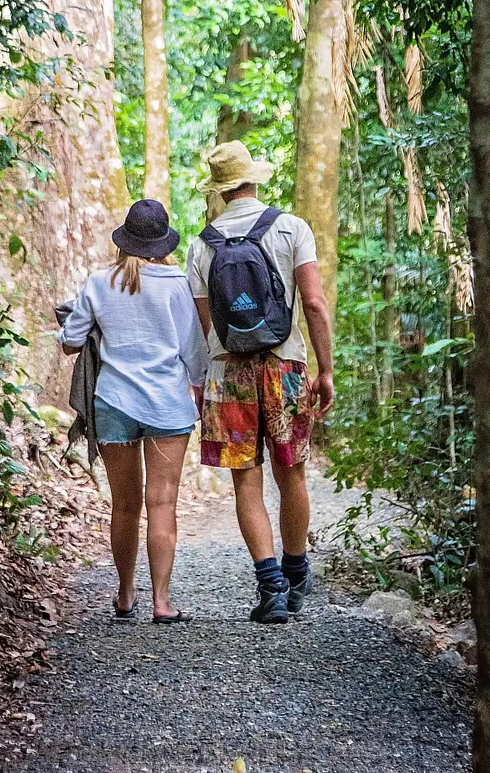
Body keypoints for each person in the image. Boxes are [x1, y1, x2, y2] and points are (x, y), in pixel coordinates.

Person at [187, 141, 334, 624]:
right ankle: (295, 572)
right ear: (254, 180)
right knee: (290, 472)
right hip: (284, 367)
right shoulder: (291, 228)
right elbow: (313, 303)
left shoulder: (200, 245)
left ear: (220, 189)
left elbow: (208, 326)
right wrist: (326, 369)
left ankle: (269, 585)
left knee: (244, 480)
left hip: (227, 374)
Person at [59, 199, 208, 624]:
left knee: (124, 504)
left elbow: (71, 341)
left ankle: (125, 594)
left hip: (114, 403)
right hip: (167, 406)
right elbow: (194, 353)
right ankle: (162, 602)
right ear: (163, 244)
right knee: (162, 503)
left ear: (125, 240)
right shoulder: (178, 283)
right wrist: (198, 389)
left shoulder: (99, 283)